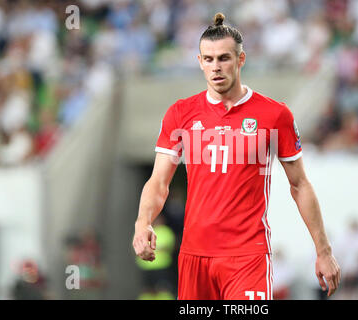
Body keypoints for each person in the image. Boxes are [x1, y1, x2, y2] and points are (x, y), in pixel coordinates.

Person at [132, 12, 340, 300]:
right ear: (200, 62)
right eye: (208, 59)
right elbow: (158, 183)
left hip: (248, 257)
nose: (216, 67)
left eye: (224, 58)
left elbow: (300, 185)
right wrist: (142, 223)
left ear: (240, 60)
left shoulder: (274, 115)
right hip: (195, 257)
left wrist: (323, 251)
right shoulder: (180, 113)